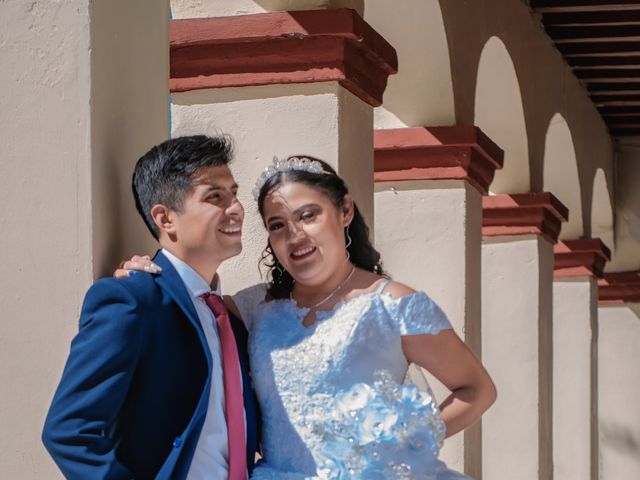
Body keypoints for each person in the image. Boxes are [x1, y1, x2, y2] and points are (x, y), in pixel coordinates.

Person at [119, 155, 496, 479]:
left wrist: (400, 449)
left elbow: (477, 390)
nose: (295, 235)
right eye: (277, 225)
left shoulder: (395, 303)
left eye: (309, 215)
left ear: (345, 210)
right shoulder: (252, 308)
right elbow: (188, 304)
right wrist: (147, 273)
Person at [42, 135, 260, 480]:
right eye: (215, 197)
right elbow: (68, 431)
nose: (235, 208)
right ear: (165, 217)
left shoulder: (230, 321)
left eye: (233, 194)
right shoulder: (132, 300)